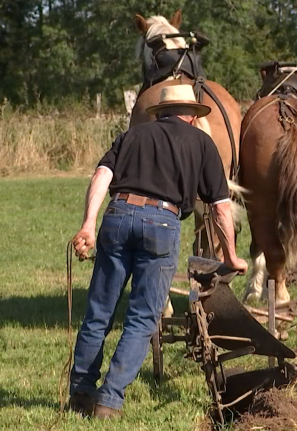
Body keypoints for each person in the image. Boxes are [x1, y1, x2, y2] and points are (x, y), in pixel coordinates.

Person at [68, 85, 248, 419]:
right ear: (193, 115)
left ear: (161, 112)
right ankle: (108, 402)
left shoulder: (133, 135)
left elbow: (102, 174)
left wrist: (89, 224)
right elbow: (221, 208)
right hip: (161, 224)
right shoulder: (202, 143)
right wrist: (230, 256)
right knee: (142, 317)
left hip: (117, 216)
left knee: (99, 312)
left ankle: (80, 395)